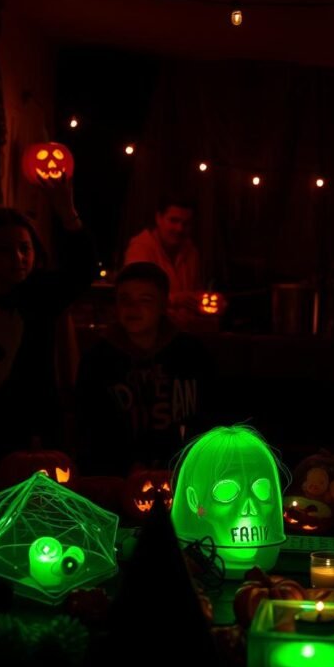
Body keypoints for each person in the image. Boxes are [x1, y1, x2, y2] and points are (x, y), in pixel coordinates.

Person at [75, 262, 214, 476]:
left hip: (184, 472)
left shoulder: (191, 354)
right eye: (125, 300)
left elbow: (208, 416)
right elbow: (89, 427)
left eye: (145, 300)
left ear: (163, 305)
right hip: (116, 477)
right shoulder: (98, 360)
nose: (133, 308)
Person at [0, 177, 96, 459]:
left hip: (33, 422)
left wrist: (68, 215)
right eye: (4, 249)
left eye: (24, 248)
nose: (18, 257)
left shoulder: (40, 294)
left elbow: (82, 271)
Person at [124, 195, 202, 329]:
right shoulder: (141, 249)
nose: (180, 229)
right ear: (158, 218)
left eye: (186, 223)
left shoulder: (191, 252)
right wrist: (176, 300)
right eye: (174, 220)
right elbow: (136, 298)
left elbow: (195, 296)